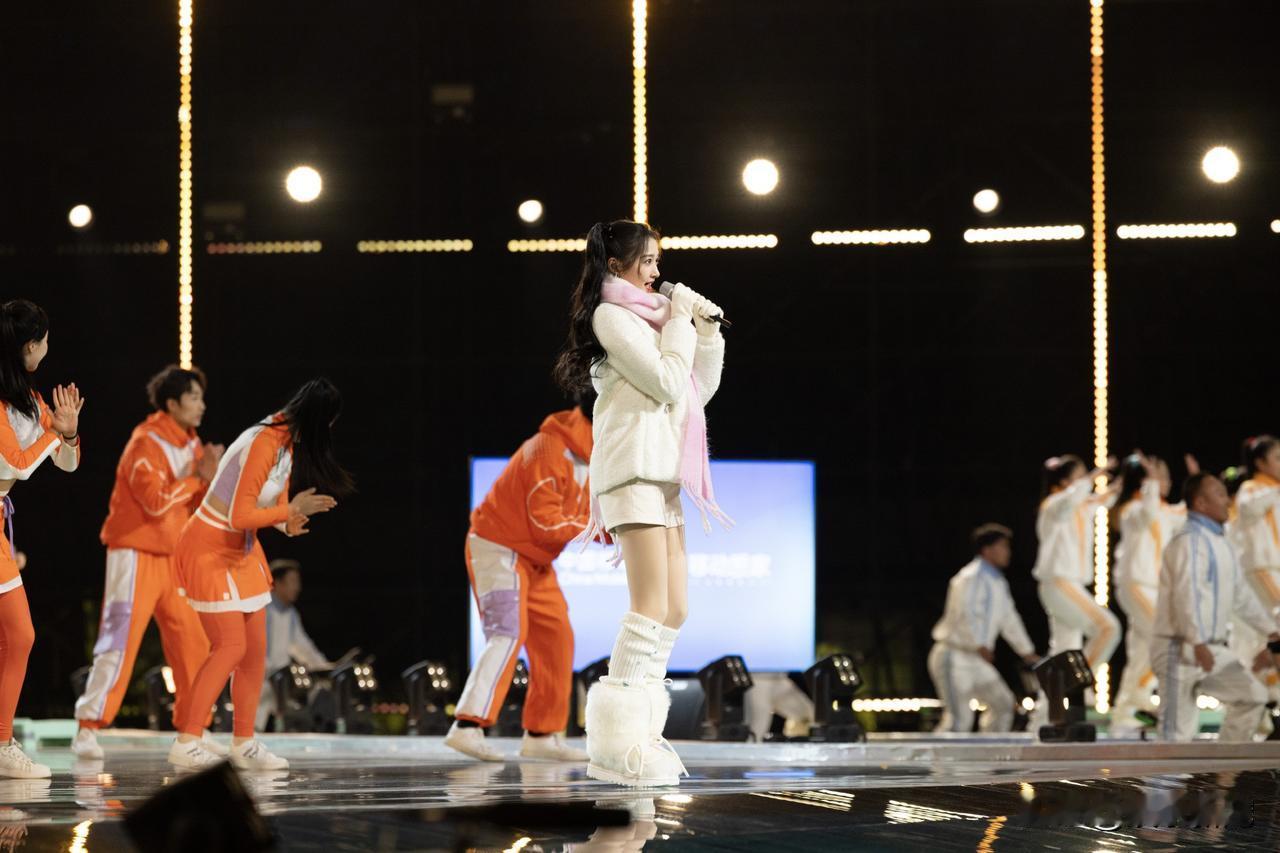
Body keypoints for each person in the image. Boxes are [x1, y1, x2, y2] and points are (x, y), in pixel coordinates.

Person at [553, 219, 727, 787]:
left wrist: (705, 334)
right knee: (649, 605)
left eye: (657, 261)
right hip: (632, 472)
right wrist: (678, 323)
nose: (657, 272)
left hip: (663, 474)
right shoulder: (611, 317)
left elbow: (693, 392)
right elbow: (667, 383)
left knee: (675, 609)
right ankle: (613, 746)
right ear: (616, 265)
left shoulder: (654, 320)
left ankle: (642, 734)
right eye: (647, 261)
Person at [167, 378, 351, 771]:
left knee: (254, 652)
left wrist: (288, 522)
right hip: (209, 546)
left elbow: (271, 506)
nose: (329, 431)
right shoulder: (266, 440)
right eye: (328, 423)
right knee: (229, 647)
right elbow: (240, 515)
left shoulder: (286, 443)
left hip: (242, 550)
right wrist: (288, 510)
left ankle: (244, 742)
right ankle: (187, 740)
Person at [72, 366, 226, 760]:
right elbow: (156, 503)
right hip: (135, 554)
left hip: (176, 558)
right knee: (119, 640)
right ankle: (88, 727)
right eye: (194, 398)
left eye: (202, 397)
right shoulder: (145, 442)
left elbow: (197, 502)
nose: (202, 405)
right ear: (172, 403)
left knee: (195, 643)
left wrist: (210, 479)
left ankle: (194, 728)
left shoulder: (193, 445)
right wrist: (199, 478)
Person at [445, 399, 596, 762]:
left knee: (557, 637)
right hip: (498, 546)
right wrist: (597, 529)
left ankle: (541, 735)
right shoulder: (547, 449)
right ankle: (466, 726)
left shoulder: (592, 453)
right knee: (507, 632)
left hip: (535, 559)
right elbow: (544, 522)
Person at [0, 299, 83, 779]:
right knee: (19, 635)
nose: (48, 348)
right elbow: (17, 464)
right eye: (45, 340)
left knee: (17, 636)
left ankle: (1, 742)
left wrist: (67, 436)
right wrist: (57, 435)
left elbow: (67, 463)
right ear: (30, 345)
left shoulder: (28, 399)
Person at [1151, 472, 1280, 741]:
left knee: (1253, 697)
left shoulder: (1222, 542)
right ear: (1200, 503)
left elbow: (1242, 597)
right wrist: (1197, 641)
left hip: (1211, 648)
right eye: (1220, 495)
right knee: (1176, 735)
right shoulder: (1189, 540)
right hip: (1181, 648)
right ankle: (1174, 770)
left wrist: (1271, 630)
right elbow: (1188, 595)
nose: (1227, 501)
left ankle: (1224, 766)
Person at [1108, 452, 1192, 734]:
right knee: (1167, 638)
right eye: (1159, 475)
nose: (1165, 481)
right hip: (1136, 585)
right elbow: (1148, 513)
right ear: (1143, 481)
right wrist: (1152, 483)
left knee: (1142, 652)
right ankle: (1157, 708)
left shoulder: (1164, 510)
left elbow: (1187, 513)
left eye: (1164, 476)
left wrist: (1196, 480)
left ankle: (1127, 713)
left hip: (1154, 589)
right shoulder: (1132, 509)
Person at [928, 524, 1039, 732]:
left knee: (1003, 705)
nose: (1008, 552)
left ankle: (989, 751)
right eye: (1003, 546)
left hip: (977, 659)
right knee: (959, 719)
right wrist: (978, 643)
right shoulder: (969, 577)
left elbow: (1009, 620)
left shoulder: (997, 582)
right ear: (987, 550)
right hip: (954, 655)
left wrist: (1027, 651)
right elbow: (966, 612)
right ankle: (937, 756)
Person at [1031, 455, 1121, 673]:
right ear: (1064, 482)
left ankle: (1055, 694)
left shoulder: (1080, 506)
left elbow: (1103, 498)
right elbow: (1071, 499)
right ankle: (1075, 683)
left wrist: (1125, 481)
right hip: (1059, 583)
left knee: (1065, 650)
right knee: (1108, 628)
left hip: (1066, 585)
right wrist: (1093, 476)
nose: (1086, 480)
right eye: (1080, 476)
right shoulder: (1053, 504)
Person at [257, 558, 334, 730]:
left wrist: (325, 668)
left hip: (280, 683)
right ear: (277, 583)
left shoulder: (291, 614)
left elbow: (304, 647)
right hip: (259, 682)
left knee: (313, 692)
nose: (297, 587)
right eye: (293, 582)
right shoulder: (260, 608)